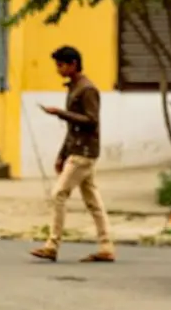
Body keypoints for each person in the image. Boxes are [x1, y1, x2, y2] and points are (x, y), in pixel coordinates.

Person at [30, 46, 115, 263]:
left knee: (59, 193)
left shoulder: (87, 90)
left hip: (85, 152)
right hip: (77, 149)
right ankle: (106, 246)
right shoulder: (75, 87)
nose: (58, 69)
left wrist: (60, 113)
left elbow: (91, 120)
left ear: (73, 64)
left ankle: (52, 244)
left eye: (61, 65)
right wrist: (62, 154)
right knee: (93, 200)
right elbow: (72, 129)